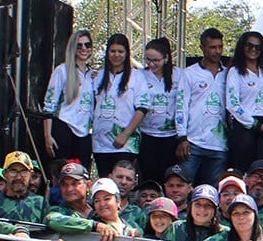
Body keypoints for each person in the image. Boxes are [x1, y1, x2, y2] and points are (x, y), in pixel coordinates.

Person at [175, 27, 230, 188]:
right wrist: (182, 137)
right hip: (192, 142)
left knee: (212, 191)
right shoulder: (189, 73)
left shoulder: (228, 74)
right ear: (202, 48)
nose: (217, 51)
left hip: (220, 144)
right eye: (212, 47)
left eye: (220, 47)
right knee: (184, 188)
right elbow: (181, 105)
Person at [86, 34, 144, 177]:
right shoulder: (97, 76)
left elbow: (142, 109)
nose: (116, 55)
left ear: (127, 53)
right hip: (100, 144)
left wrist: (124, 135)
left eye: (120, 51)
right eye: (113, 51)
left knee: (122, 183)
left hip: (125, 144)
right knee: (106, 184)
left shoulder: (137, 77)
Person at [130, 37, 182, 185]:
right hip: (147, 135)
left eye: (156, 60)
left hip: (171, 136)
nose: (151, 64)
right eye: (148, 60)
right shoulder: (139, 75)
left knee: (169, 177)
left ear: (166, 58)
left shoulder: (179, 75)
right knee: (149, 177)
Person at [43, 29, 97, 164]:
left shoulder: (94, 75)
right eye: (79, 45)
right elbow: (49, 104)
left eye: (87, 45)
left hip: (85, 132)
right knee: (63, 172)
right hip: (64, 126)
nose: (83, 48)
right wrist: (47, 135)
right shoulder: (62, 70)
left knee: (81, 175)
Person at [224, 31, 263, 171]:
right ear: (242, 47)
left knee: (262, 169)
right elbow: (232, 104)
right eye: (249, 45)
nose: (253, 49)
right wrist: (256, 125)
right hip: (244, 125)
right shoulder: (235, 72)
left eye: (258, 47)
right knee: (243, 168)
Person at [0, 153, 46, 225]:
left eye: (24, 172)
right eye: (13, 172)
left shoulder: (41, 203)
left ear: (30, 174)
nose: (18, 177)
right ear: (5, 174)